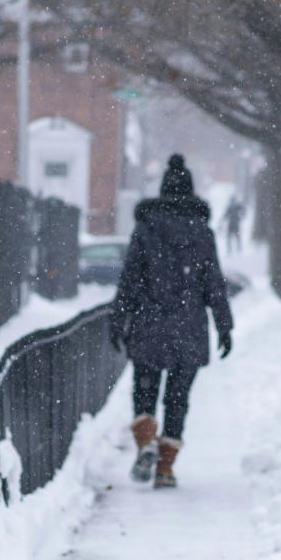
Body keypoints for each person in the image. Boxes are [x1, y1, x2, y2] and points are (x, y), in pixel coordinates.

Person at [110, 154, 233, 489]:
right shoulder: (203, 234)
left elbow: (130, 281)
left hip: (149, 324)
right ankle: (165, 468)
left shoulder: (146, 230)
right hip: (189, 328)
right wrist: (224, 326)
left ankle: (146, 441)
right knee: (178, 399)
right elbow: (214, 285)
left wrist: (118, 318)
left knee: (145, 391)